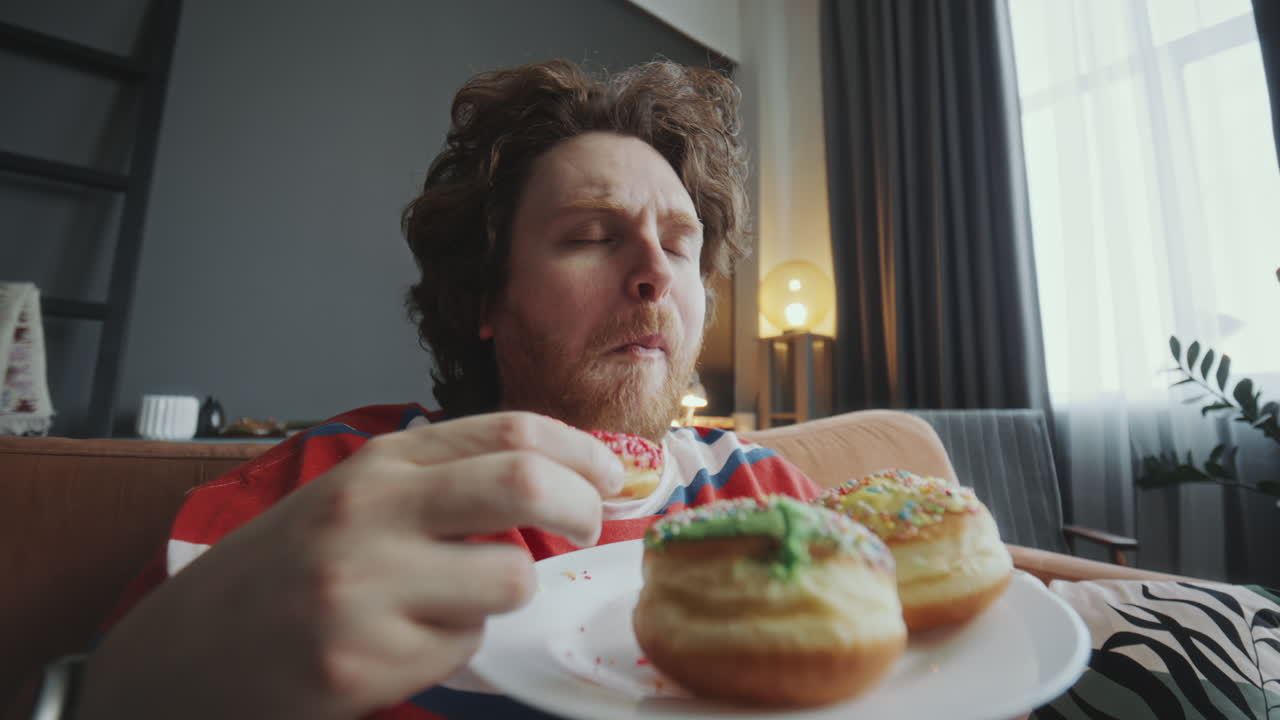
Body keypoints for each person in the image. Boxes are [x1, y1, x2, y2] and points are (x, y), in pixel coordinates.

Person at [59, 59, 822, 720]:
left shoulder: (769, 492)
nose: (655, 272)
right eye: (591, 236)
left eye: (681, 246)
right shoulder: (328, 490)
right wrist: (129, 688)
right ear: (484, 298)